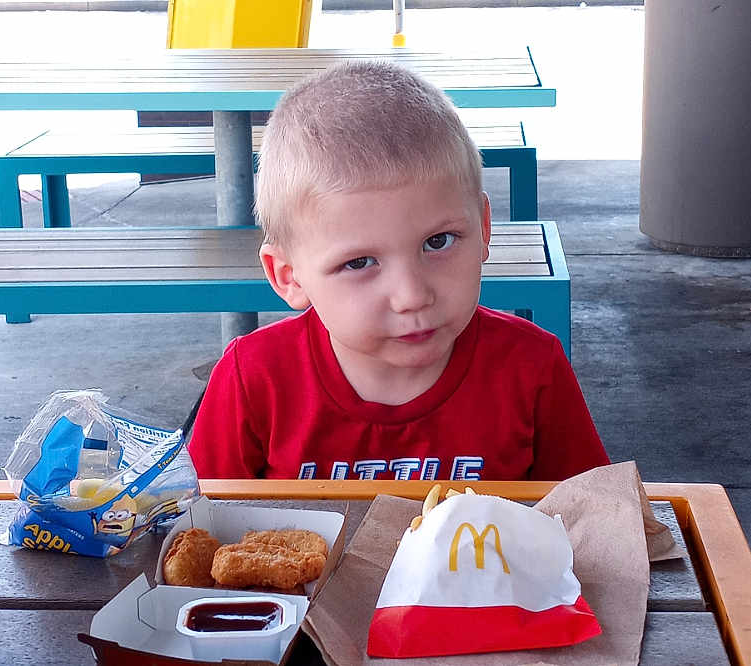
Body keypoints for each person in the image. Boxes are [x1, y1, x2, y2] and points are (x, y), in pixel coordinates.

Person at [188, 61, 609, 481]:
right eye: (359, 263)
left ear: (483, 228)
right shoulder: (253, 381)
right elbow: (195, 515)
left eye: (438, 241)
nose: (412, 296)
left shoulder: (532, 368)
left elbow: (593, 511)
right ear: (289, 276)